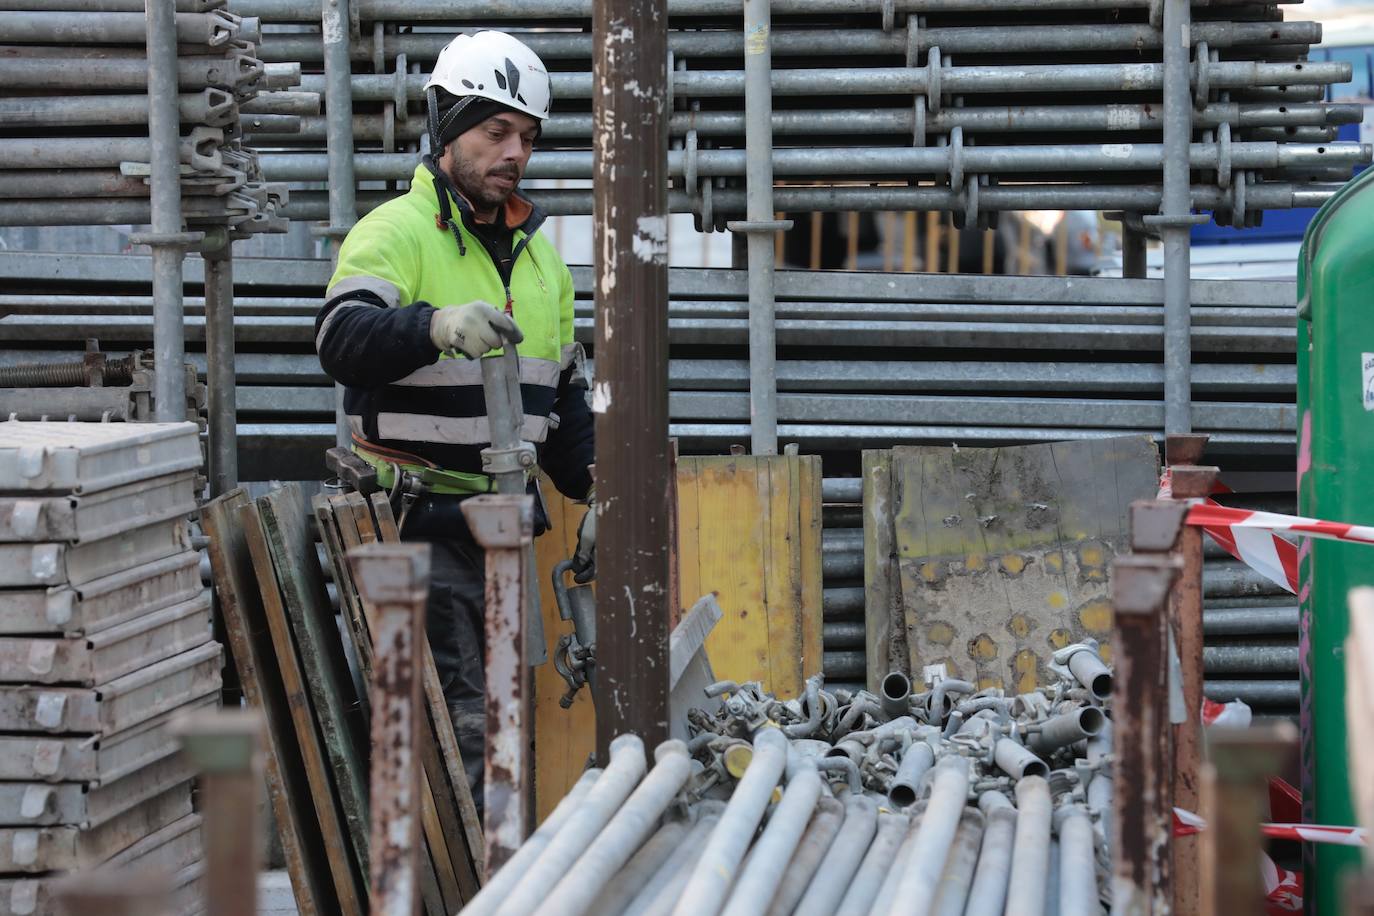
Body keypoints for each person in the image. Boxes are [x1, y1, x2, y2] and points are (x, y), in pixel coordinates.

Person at [314, 30, 596, 810]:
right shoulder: (395, 232)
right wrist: (431, 325)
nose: (514, 153)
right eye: (495, 131)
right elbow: (340, 340)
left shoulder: (542, 262)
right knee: (464, 736)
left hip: (502, 537)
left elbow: (563, 395)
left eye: (527, 138)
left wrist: (600, 483)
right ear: (447, 126)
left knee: (502, 732)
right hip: (419, 531)